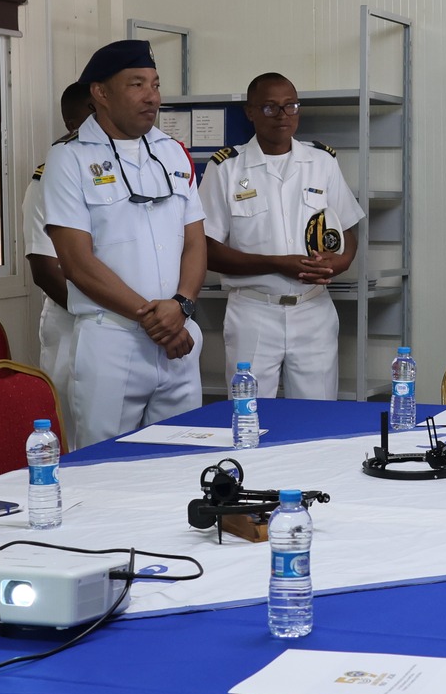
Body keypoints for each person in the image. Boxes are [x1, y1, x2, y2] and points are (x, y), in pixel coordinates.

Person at [43, 40, 206, 445]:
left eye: (155, 84)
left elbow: (195, 242)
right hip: (112, 340)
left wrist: (182, 305)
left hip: (179, 338)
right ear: (100, 92)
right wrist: (155, 321)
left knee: (184, 459)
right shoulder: (69, 158)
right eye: (137, 84)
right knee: (105, 467)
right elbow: (76, 262)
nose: (152, 96)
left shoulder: (173, 153)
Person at [199, 73, 363, 399]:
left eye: (291, 106)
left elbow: (347, 229)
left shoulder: (321, 161)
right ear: (250, 112)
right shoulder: (226, 167)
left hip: (313, 309)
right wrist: (277, 264)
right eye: (270, 108)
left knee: (317, 414)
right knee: (249, 412)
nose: (283, 116)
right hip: (253, 310)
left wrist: (339, 263)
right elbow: (207, 249)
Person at [22, 81, 93, 425]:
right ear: (71, 123)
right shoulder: (49, 177)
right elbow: (45, 269)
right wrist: (99, 312)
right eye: (93, 115)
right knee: (75, 426)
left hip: (125, 322)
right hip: (72, 322)